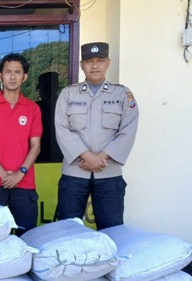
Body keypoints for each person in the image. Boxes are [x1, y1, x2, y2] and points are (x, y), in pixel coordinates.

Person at [55, 42, 139, 230]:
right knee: (68, 229)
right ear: (81, 65)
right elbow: (61, 128)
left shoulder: (122, 94)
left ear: (108, 63)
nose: (94, 65)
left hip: (108, 172)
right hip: (75, 172)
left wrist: (101, 158)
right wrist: (86, 156)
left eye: (100, 61)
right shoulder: (68, 94)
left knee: (112, 229)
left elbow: (128, 129)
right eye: (89, 61)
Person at [0, 53, 42, 235]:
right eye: (8, 72)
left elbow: (36, 146)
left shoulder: (33, 108)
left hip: (24, 182)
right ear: (0, 76)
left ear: (24, 77)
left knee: (26, 236)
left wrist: (20, 174)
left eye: (17, 72)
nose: (12, 77)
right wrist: (3, 175)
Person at [36, 71, 63, 163]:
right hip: (42, 153)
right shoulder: (64, 104)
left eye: (42, 88)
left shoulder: (64, 105)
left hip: (52, 153)